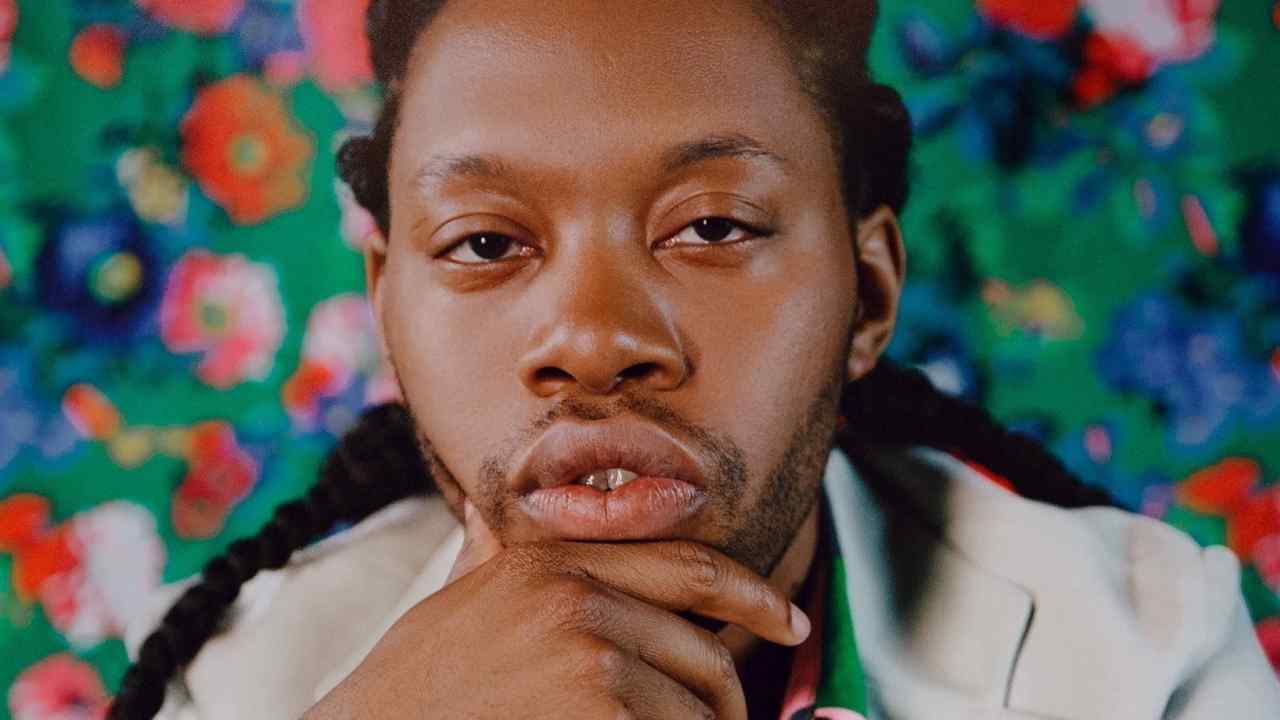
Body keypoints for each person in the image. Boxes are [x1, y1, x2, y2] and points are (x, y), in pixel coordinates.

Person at [108, 1, 1280, 718]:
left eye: (712, 227)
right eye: (483, 243)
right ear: (387, 313)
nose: (592, 344)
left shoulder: (1149, 646)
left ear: (866, 294)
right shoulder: (236, 683)